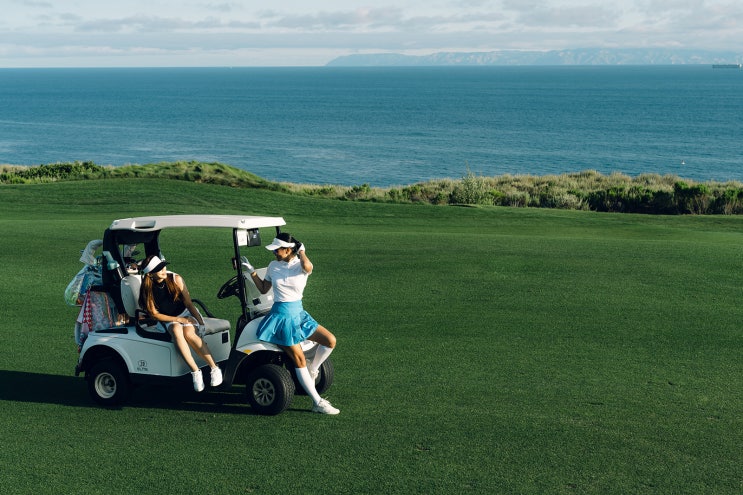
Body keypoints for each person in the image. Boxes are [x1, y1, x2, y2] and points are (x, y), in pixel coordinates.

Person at [242, 232, 339, 415]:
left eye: (277, 250)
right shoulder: (273, 266)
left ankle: (313, 369)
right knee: (299, 359)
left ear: (288, 250)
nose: (274, 253)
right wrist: (252, 271)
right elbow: (263, 289)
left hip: (298, 314)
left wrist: (302, 251)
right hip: (280, 317)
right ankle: (317, 402)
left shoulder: (301, 265)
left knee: (330, 341)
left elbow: (308, 267)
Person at [139, 255, 223, 392]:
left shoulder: (175, 279)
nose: (164, 270)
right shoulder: (147, 289)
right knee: (176, 330)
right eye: (159, 269)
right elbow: (154, 314)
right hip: (168, 319)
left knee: (189, 333)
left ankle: (214, 368)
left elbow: (189, 304)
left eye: (163, 266)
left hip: (186, 313)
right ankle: (195, 372)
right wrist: (178, 320)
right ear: (150, 274)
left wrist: (200, 323)